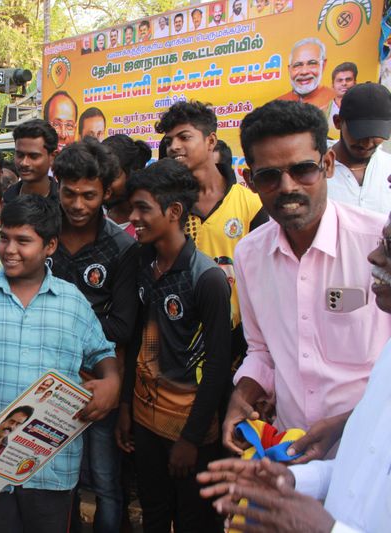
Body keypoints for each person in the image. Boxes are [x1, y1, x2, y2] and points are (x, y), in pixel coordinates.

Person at [0, 195, 120, 533]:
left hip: (51, 466)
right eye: (4, 237)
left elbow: (101, 353)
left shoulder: (72, 302)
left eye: (23, 241)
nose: (8, 249)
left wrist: (111, 382)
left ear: (50, 245)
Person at [198, 212, 391, 533]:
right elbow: (365, 472)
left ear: (326, 163)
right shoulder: (249, 254)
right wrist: (293, 479)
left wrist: (327, 530)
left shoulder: (361, 236)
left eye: (389, 246)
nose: (374, 255)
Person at [223, 100, 391, 465]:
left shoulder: (378, 244)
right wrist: (244, 393)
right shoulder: (249, 255)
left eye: (303, 170)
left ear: (327, 165)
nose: (287, 187)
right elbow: (261, 350)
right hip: (289, 452)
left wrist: (349, 424)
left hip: (373, 455)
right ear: (249, 181)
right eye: (269, 176)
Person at [118, 158, 232, 533]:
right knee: (153, 515)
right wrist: (125, 408)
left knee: (193, 522)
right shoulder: (139, 260)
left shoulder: (208, 279)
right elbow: (134, 338)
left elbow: (218, 366)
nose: (133, 217)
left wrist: (191, 440)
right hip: (146, 422)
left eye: (143, 208)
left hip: (191, 432)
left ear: (174, 211)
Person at [51, 138, 139, 533]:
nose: (77, 204)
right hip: (44, 383)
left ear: (107, 192)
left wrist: (56, 322)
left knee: (105, 483)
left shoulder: (121, 247)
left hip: (98, 384)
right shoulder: (42, 233)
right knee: (49, 479)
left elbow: (122, 326)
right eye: (69, 193)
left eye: (89, 195)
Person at [157, 101, 267, 370]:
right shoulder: (168, 206)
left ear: (211, 141)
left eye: (184, 137)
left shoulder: (250, 202)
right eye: (169, 140)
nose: (174, 147)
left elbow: (265, 279)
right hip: (180, 334)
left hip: (240, 341)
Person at [328, 83, 391, 215]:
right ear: (338, 122)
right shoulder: (313, 168)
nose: (367, 144)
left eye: (375, 135)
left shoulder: (388, 167)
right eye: (358, 133)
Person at [103, 134, 152, 236]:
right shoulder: (93, 217)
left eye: (112, 176)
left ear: (132, 175)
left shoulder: (148, 223)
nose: (104, 183)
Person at [5, 119, 60, 203]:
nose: (24, 163)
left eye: (33, 156)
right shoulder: (5, 199)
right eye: (20, 155)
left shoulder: (64, 202)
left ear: (52, 157)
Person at [276, 38, 336, 113]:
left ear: (323, 65)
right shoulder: (277, 106)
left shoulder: (335, 99)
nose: (304, 72)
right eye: (297, 65)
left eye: (312, 63)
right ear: (289, 70)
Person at [328, 62, 358, 128]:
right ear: (333, 85)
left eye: (348, 79)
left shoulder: (362, 108)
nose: (344, 83)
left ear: (355, 83)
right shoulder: (323, 110)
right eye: (340, 80)